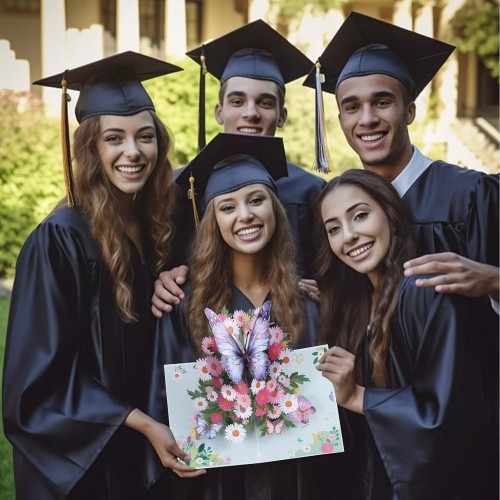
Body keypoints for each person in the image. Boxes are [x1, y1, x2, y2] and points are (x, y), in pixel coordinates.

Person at [305, 14, 499, 495]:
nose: (366, 119)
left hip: (464, 436)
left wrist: (495, 280)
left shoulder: (470, 195)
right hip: (378, 447)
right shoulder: (342, 209)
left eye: (382, 102)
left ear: (409, 110)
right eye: (351, 107)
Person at [2, 52, 205, 500]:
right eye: (114, 138)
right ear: (90, 147)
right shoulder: (59, 241)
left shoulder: (165, 225)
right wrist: (142, 422)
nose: (133, 152)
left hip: (156, 443)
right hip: (89, 456)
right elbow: (37, 385)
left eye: (145, 137)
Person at [154, 132, 352, 500]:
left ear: (275, 208)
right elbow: (165, 401)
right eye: (227, 206)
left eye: (256, 200)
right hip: (215, 487)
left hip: (302, 484)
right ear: (212, 221)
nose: (245, 215)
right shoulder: (185, 308)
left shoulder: (309, 303)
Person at [315, 168, 493, 499]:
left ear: (391, 215)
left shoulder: (424, 293)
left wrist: (357, 396)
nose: (349, 235)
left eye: (361, 216)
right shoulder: (355, 307)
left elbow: (447, 417)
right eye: (334, 229)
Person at [152, 19, 325, 317]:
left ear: (281, 116)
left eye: (265, 103)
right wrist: (164, 279)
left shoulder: (312, 193)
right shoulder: (180, 188)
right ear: (219, 112)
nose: (251, 113)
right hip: (201, 345)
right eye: (237, 100)